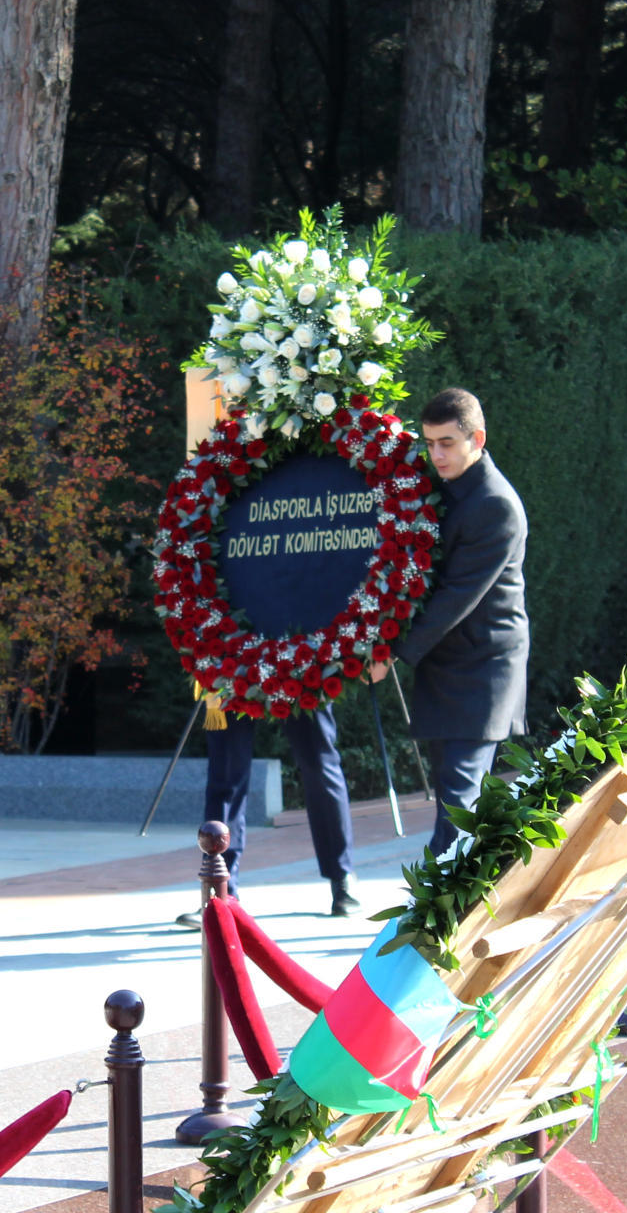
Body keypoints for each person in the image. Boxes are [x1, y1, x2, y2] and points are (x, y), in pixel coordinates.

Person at [374, 388, 530, 855]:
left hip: (482, 673)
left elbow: (456, 596)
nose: (435, 454)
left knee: (457, 814)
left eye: (446, 443)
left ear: (476, 438)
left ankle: (433, 922)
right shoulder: (441, 490)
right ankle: (461, 916)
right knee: (458, 806)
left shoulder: (494, 503)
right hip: (446, 668)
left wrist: (393, 653)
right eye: (429, 443)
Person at [177, 706, 359, 926]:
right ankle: (220, 891)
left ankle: (342, 877)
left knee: (320, 765)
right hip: (231, 673)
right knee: (225, 777)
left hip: (299, 671)